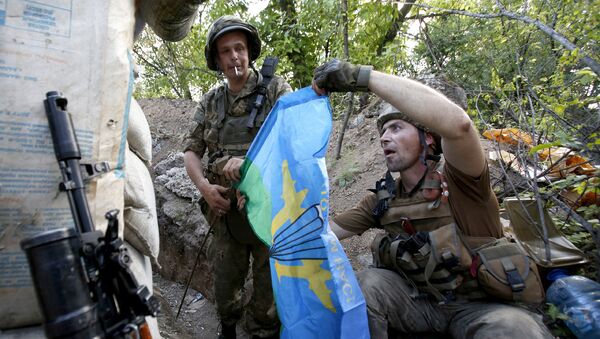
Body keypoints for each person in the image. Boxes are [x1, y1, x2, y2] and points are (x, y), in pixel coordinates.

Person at [312, 59, 553, 338]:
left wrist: (360, 77)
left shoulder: (462, 182)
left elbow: (459, 125)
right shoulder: (383, 198)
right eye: (383, 132)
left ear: (428, 138)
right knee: (367, 284)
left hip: (485, 308)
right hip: (421, 304)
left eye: (396, 128)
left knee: (513, 330)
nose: (384, 138)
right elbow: (326, 233)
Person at [183, 15, 292, 339]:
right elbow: (191, 151)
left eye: (239, 48)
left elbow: (291, 140)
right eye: (226, 51)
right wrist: (204, 188)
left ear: (249, 52)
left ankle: (264, 330)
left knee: (267, 284)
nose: (234, 57)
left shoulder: (275, 89)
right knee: (226, 278)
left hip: (267, 207)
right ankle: (228, 328)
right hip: (224, 211)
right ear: (217, 59)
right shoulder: (211, 101)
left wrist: (251, 165)